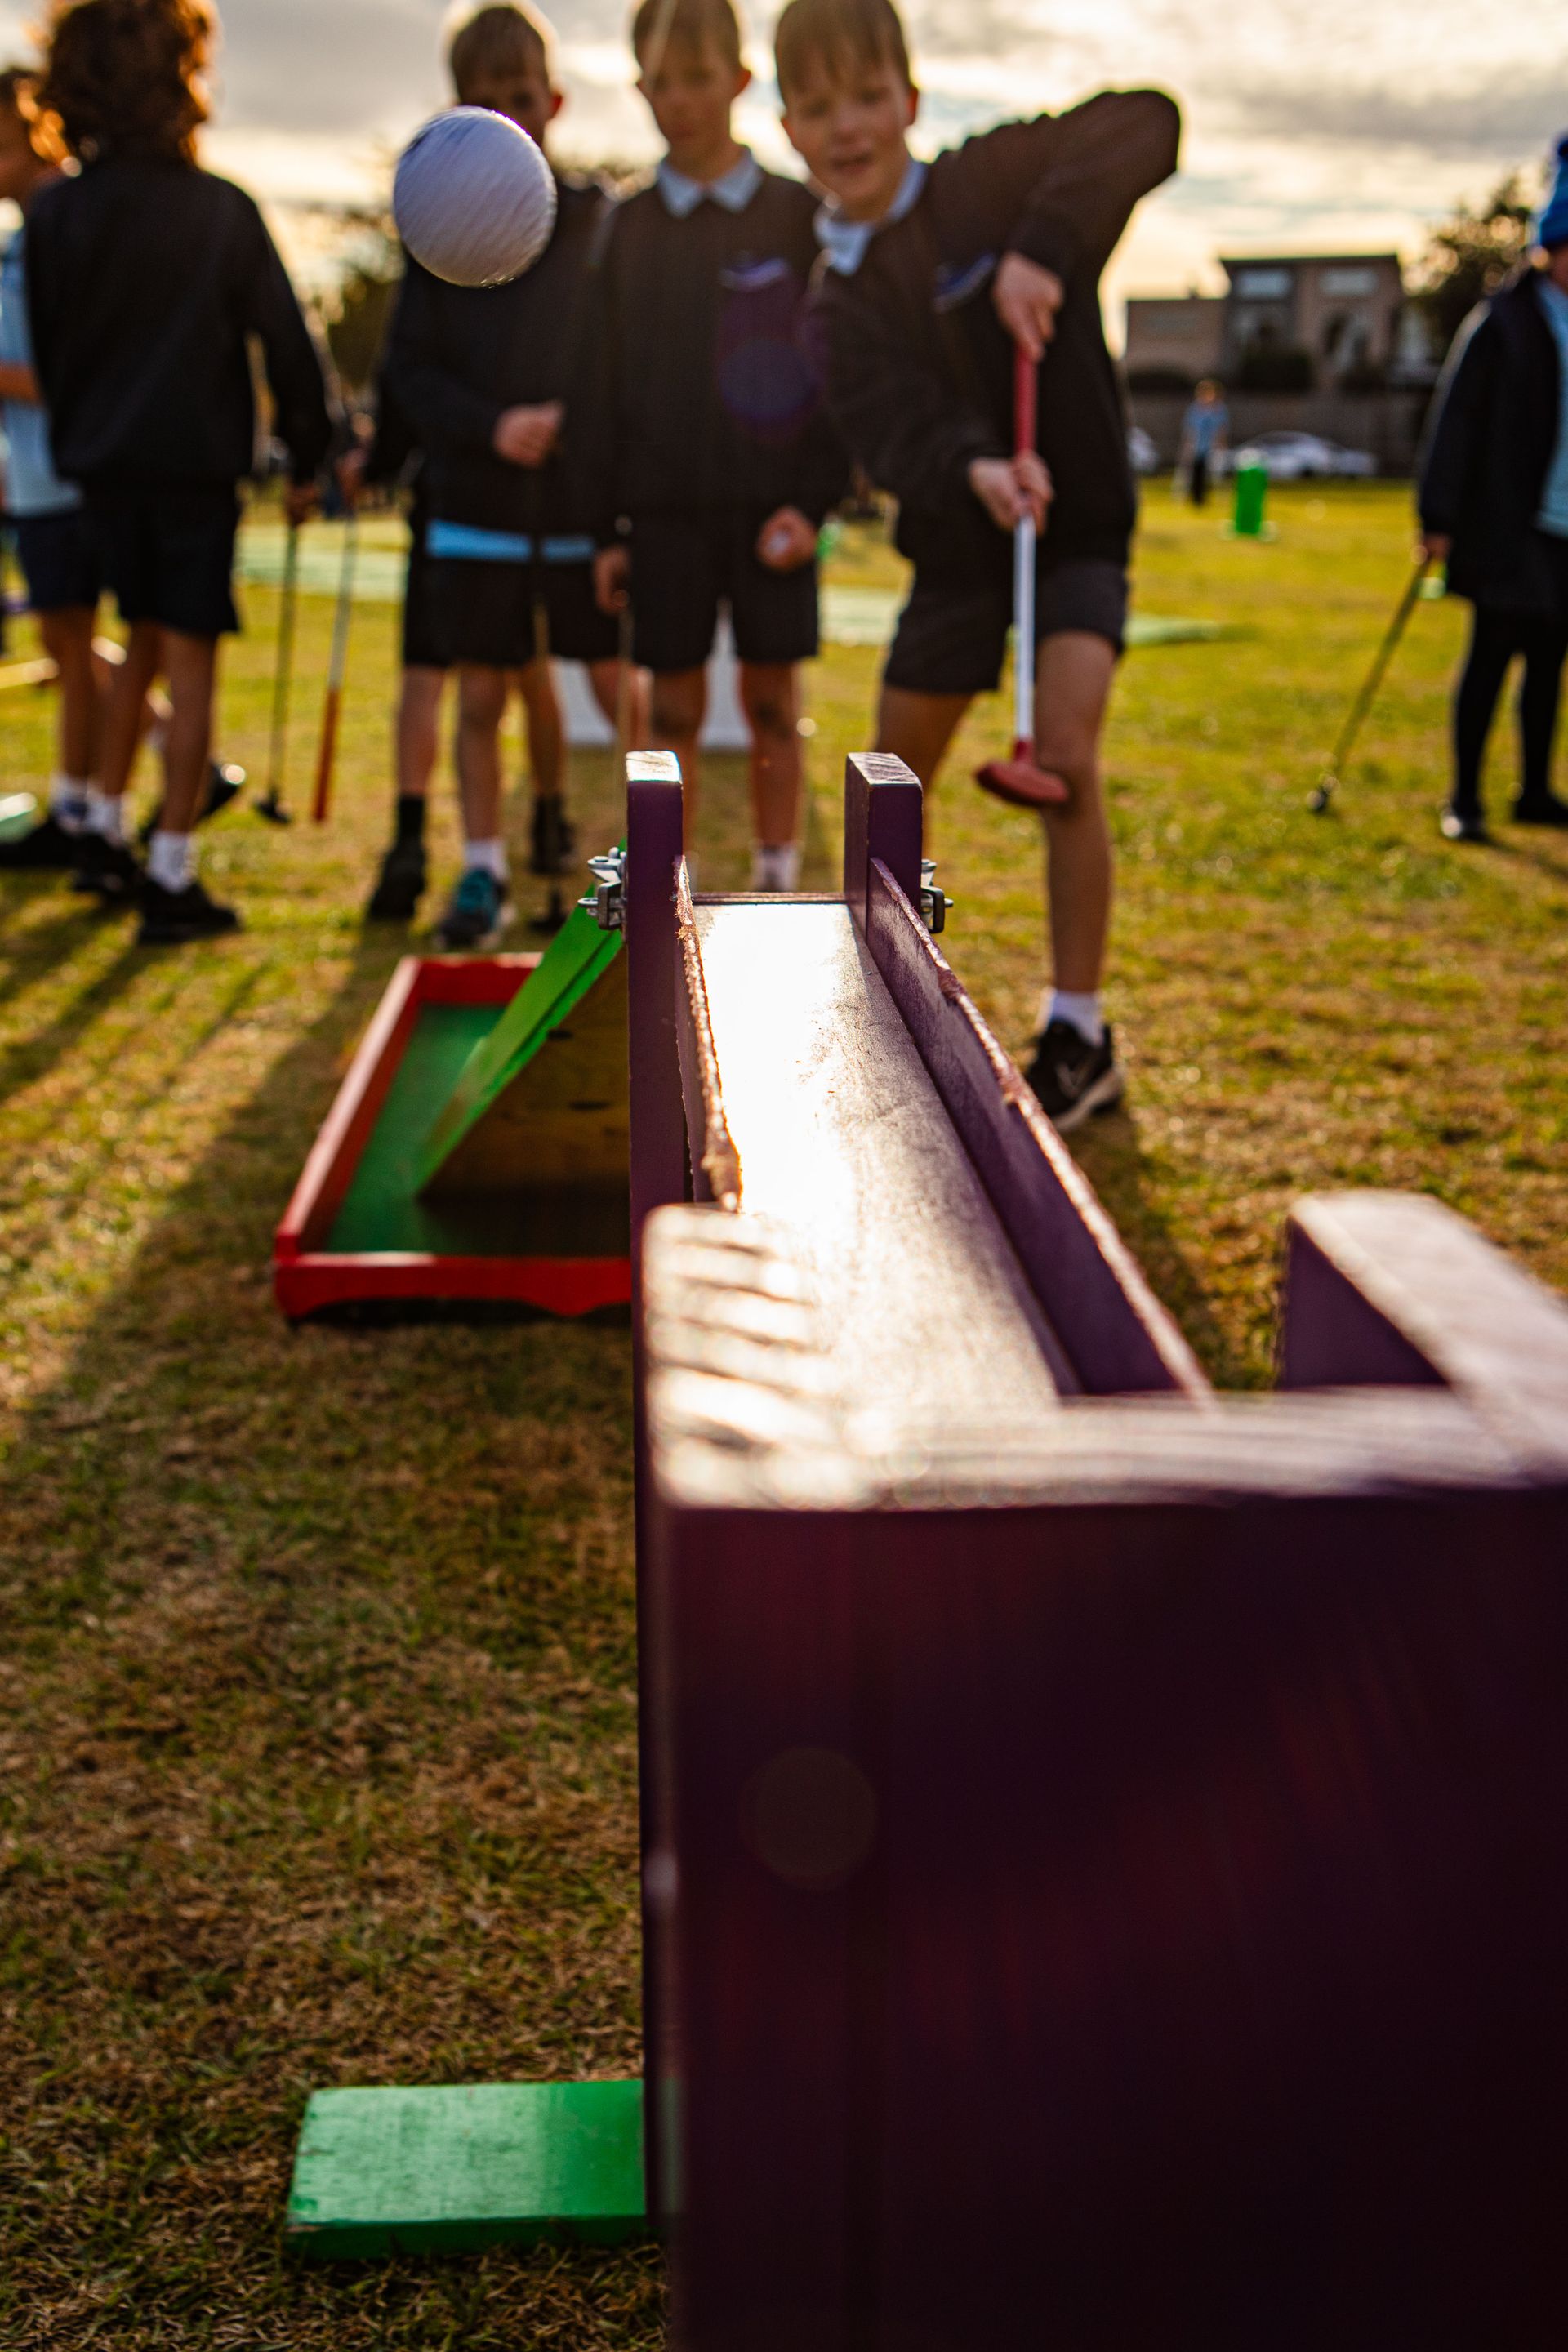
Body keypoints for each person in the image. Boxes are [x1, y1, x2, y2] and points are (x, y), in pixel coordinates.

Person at [776, 0, 1178, 1130]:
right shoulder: (835, 297)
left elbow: (1148, 121)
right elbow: (891, 428)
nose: (847, 125)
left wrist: (1039, 251)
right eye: (817, 107)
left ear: (908, 100)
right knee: (890, 785)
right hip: (958, 554)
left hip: (1079, 526)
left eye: (866, 97)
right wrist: (974, 472)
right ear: (791, 130)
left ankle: (1079, 1031)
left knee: (1065, 752)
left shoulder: (990, 181)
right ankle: (875, 1008)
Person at [26, 0, 331, 945]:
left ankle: (103, 829)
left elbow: (52, 350)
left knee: (140, 640)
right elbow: (288, 343)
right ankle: (169, 870)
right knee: (187, 660)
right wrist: (312, 457)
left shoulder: (56, 213)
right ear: (184, 79)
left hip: (104, 471)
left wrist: (85, 441)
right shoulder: (220, 210)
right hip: (193, 471)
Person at [380, 2, 630, 950]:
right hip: (474, 508)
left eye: (523, 98)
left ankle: (644, 868)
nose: (510, 116)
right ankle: (481, 868)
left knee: (614, 689)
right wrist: (492, 426)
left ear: (554, 100)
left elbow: (620, 355)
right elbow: (409, 371)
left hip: (575, 507)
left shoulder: (597, 223)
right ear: (458, 110)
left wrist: (575, 422)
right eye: (487, 102)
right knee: (480, 695)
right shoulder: (433, 227)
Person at [584, 0, 846, 890]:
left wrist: (811, 504)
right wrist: (606, 530)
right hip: (662, 517)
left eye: (699, 79)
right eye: (662, 83)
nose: (681, 101)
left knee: (773, 704)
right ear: (642, 91)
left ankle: (779, 879)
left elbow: (835, 373)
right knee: (673, 706)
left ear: (739, 80)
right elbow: (602, 386)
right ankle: (669, 886)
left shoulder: (797, 214)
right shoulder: (626, 227)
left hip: (771, 512)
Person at [0, 63, 241, 874]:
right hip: (41, 479)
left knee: (121, 641)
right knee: (74, 644)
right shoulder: (26, 238)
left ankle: (121, 806)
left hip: (86, 476)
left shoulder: (71, 225)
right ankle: (92, 808)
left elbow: (74, 374)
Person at [1419, 133, 1568, 843]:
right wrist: (1437, 515)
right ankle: (1465, 796)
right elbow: (1457, 422)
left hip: (1567, 525)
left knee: (1550, 663)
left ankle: (1535, 788)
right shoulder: (1504, 323)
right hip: (1509, 521)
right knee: (1491, 655)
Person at [1179, 376, 1227, 507]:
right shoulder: (1195, 409)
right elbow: (1189, 427)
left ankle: (1206, 497)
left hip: (1211, 446)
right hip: (1196, 446)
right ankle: (1195, 497)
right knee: (1195, 471)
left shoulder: (1219, 409)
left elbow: (1222, 427)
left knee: (1211, 473)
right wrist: (1188, 443)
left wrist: (1221, 443)